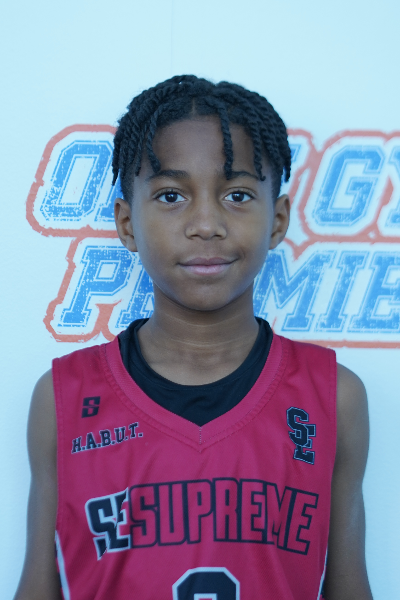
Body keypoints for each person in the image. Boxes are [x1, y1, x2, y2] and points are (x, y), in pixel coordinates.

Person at [14, 75, 373, 599]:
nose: (206, 224)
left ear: (277, 220)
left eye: (237, 194)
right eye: (171, 195)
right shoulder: (64, 399)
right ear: (127, 223)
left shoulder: (334, 397)